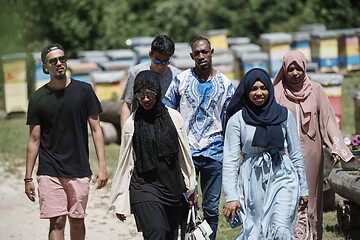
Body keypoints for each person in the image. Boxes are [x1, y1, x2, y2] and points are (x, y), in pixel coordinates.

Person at [24, 43, 108, 240]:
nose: (59, 63)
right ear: (46, 67)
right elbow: (34, 139)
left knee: (77, 220)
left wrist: (102, 166)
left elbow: (96, 129)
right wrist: (28, 177)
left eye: (62, 59)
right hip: (49, 169)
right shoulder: (37, 98)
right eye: (53, 61)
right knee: (57, 221)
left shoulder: (84, 91)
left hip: (78, 168)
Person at [273, 50, 355, 240]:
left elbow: (327, 122)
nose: (295, 73)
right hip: (285, 153)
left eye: (298, 69)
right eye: (290, 69)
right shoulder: (277, 92)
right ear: (284, 70)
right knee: (289, 194)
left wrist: (336, 148)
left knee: (311, 195)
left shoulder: (316, 90)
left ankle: (311, 235)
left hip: (312, 152)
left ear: (304, 68)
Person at [109, 70, 197, 240]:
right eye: (140, 95)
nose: (146, 99)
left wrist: (192, 187)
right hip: (144, 187)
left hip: (173, 189)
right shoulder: (131, 124)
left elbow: (184, 156)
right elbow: (125, 163)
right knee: (155, 234)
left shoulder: (174, 118)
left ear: (158, 92)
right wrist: (120, 199)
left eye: (150, 94)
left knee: (169, 236)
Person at [222, 68, 309, 239]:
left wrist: (303, 187)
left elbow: (296, 153)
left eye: (263, 88)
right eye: (254, 89)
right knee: (257, 231)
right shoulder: (237, 120)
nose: (259, 93)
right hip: (252, 181)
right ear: (246, 91)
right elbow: (230, 161)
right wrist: (231, 197)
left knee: (280, 227)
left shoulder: (285, 116)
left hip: (283, 175)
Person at [163, 35, 234, 240]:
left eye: (205, 52)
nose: (201, 56)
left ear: (211, 53)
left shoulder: (225, 84)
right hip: (186, 154)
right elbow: (167, 113)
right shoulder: (181, 81)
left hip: (215, 153)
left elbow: (231, 121)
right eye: (197, 53)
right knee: (186, 204)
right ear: (191, 56)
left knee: (211, 208)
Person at [120, 34, 182, 129]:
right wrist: (125, 135)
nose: (160, 65)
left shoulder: (177, 76)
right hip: (141, 126)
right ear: (150, 54)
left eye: (165, 62)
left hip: (168, 128)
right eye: (157, 61)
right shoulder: (136, 72)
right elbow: (127, 105)